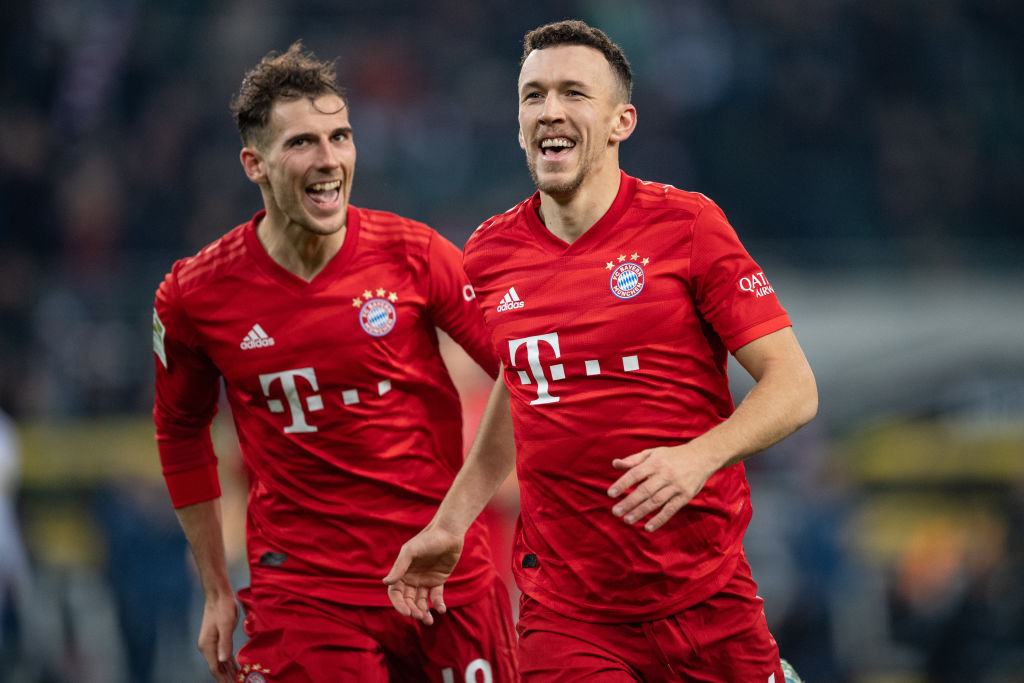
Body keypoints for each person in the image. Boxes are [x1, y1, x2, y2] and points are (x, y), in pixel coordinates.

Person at [384, 19, 817, 683]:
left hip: (705, 593)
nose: (549, 110)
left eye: (573, 93)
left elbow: (793, 387)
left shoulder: (689, 226)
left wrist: (698, 456)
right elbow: (521, 385)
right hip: (569, 613)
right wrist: (452, 521)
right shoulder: (490, 254)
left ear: (622, 121)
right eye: (533, 95)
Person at [152, 43, 517, 683]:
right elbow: (180, 434)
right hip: (305, 596)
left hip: (442, 578)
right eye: (302, 143)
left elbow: (524, 370)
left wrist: (454, 523)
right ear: (254, 164)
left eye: (340, 136)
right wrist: (216, 586)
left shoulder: (416, 255)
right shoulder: (195, 295)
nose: (329, 159)